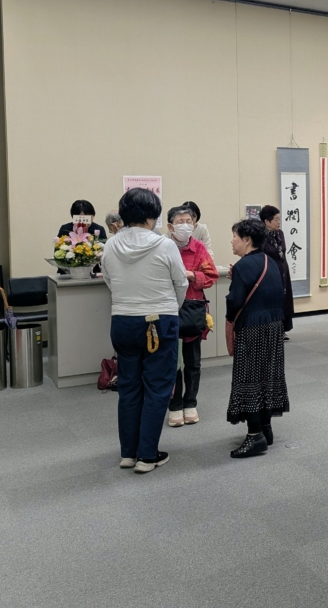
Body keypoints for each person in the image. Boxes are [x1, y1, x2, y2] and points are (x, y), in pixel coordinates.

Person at [102, 188, 187, 474]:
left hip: (122, 321)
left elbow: (108, 280)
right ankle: (147, 455)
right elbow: (181, 283)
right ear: (153, 216)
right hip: (159, 320)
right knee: (158, 387)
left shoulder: (110, 245)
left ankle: (128, 453)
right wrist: (171, 308)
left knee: (128, 387)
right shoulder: (164, 245)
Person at [225, 218, 290, 458]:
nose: (232, 241)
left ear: (247, 239)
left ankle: (254, 436)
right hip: (273, 327)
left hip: (252, 328)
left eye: (234, 236)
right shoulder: (269, 261)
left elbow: (235, 301)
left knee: (249, 379)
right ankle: (265, 428)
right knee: (267, 377)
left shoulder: (243, 266)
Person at [166, 206, 217, 428]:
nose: (185, 225)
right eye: (180, 221)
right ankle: (175, 405)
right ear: (170, 226)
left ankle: (191, 403)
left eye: (189, 221)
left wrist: (191, 275)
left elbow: (211, 275)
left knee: (193, 361)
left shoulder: (199, 248)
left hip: (192, 310)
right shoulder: (162, 247)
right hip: (168, 310)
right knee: (171, 362)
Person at [259, 205, 295, 339]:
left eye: (279, 219)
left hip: (283, 269)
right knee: (273, 299)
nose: (278, 222)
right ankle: (272, 329)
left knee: (285, 299)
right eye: (275, 219)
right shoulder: (261, 236)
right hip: (270, 271)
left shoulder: (280, 233)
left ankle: (282, 329)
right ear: (266, 221)